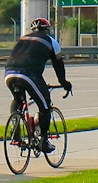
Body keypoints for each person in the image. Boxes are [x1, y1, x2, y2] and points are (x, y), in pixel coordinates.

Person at [4, 17, 72, 153]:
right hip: (29, 74)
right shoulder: (51, 41)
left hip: (9, 73)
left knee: (17, 100)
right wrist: (64, 83)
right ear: (47, 30)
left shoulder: (22, 39)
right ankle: (44, 141)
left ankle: (15, 133)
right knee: (45, 105)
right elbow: (58, 64)